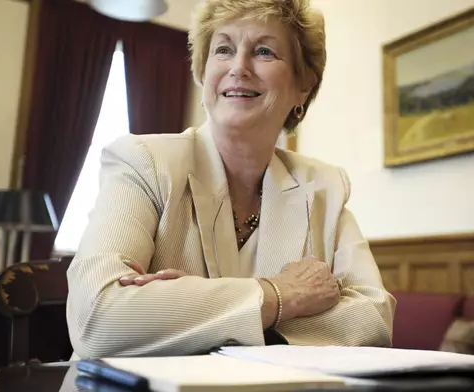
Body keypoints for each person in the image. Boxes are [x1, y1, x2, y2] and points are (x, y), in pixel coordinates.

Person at [66, 0, 396, 359]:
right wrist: (283, 294)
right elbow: (97, 316)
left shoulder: (323, 187)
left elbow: (372, 319)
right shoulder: (143, 163)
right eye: (223, 49)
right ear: (203, 73)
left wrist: (192, 314)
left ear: (303, 85)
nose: (239, 67)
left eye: (264, 51)